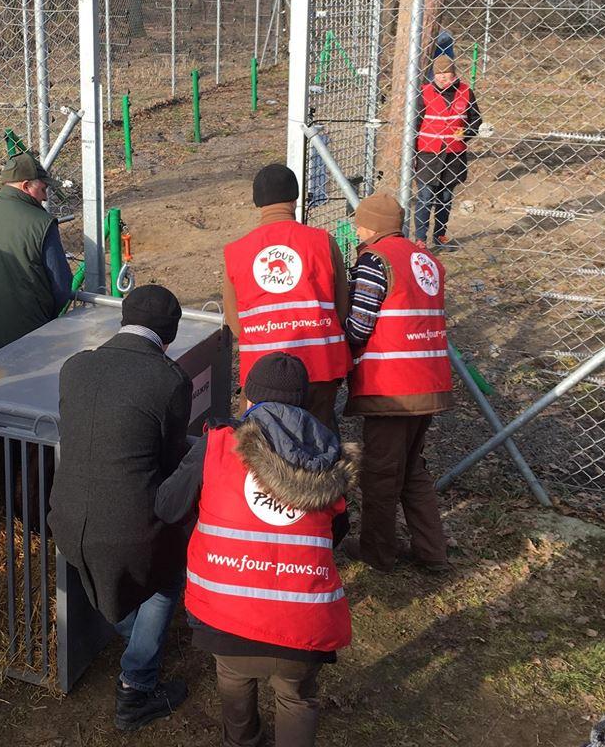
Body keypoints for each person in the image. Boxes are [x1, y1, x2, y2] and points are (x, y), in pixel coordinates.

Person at [157, 352, 357, 747]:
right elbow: (335, 533)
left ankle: (242, 741)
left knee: (233, 677)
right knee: (297, 697)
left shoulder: (216, 446)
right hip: (303, 624)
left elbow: (167, 506)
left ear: (249, 400)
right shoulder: (330, 461)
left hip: (226, 612)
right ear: (304, 403)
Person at [48, 285, 192, 731]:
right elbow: (169, 463)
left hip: (66, 517)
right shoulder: (170, 380)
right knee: (166, 582)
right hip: (130, 528)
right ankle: (137, 685)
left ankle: (128, 629)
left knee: (112, 577)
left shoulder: (76, 366)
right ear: (168, 335)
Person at [341, 192, 452, 573]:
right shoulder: (427, 260)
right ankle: (432, 551)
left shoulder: (376, 260)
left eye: (359, 222)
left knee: (381, 472)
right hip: (430, 379)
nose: (356, 229)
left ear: (371, 226)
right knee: (412, 468)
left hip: (392, 386)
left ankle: (377, 552)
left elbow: (359, 325)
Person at [223, 163, 352, 429]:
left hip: (263, 372)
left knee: (264, 448)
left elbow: (236, 323)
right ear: (295, 199)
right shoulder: (323, 241)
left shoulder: (236, 251)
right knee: (318, 440)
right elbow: (340, 309)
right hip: (319, 365)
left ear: (257, 202)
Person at [0, 151, 74, 361]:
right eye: (43, 188)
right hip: (25, 334)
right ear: (26, 185)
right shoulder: (41, 222)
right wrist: (44, 318)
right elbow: (61, 285)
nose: (45, 196)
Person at [413, 54, 482, 249]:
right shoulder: (424, 93)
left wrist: (466, 133)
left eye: (446, 73)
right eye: (439, 73)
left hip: (454, 155)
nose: (442, 77)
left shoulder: (466, 92)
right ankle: (420, 239)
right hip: (428, 154)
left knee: (445, 198)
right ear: (434, 75)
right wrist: (412, 156)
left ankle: (440, 235)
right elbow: (415, 126)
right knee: (425, 197)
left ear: (454, 74)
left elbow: (476, 120)